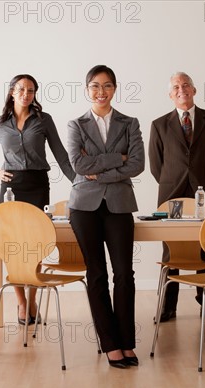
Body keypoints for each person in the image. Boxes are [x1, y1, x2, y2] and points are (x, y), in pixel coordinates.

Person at [0, 74, 75, 325]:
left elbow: (61, 155)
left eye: (30, 90)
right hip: (11, 187)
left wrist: (79, 182)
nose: (25, 94)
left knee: (36, 244)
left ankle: (32, 297)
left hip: (38, 185)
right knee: (11, 245)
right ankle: (21, 303)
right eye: (21, 89)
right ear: (11, 92)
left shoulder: (43, 120)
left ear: (34, 94)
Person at [67, 65, 145, 368]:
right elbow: (77, 164)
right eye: (95, 86)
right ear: (87, 89)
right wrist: (117, 159)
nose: (101, 92)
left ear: (115, 89)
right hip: (83, 207)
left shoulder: (129, 123)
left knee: (124, 274)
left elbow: (137, 164)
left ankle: (127, 341)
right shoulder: (76, 124)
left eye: (108, 86)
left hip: (119, 204)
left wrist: (97, 170)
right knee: (97, 274)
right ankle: (110, 344)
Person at [149, 72, 205, 322]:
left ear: (194, 90)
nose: (181, 89)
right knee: (171, 249)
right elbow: (155, 164)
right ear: (170, 95)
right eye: (176, 86)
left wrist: (203, 180)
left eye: (186, 85)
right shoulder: (159, 124)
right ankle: (168, 307)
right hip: (171, 192)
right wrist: (173, 181)